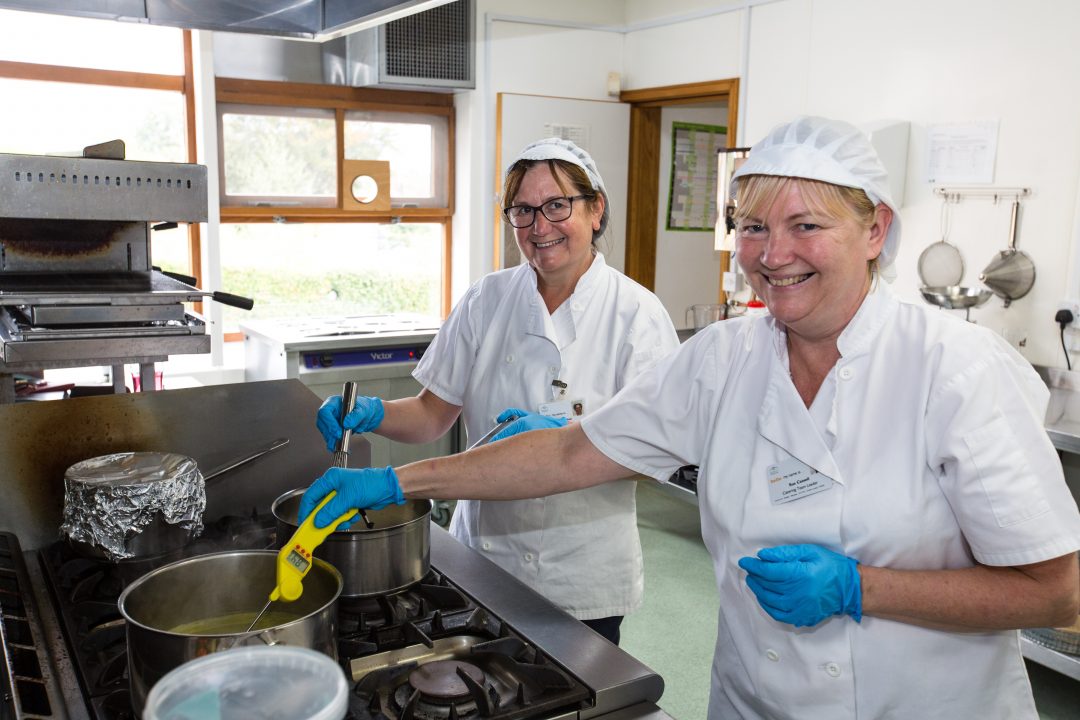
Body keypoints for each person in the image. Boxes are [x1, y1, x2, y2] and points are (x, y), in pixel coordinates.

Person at [300, 116, 1080, 719]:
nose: (772, 254)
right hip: (753, 699)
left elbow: (1057, 591)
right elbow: (575, 454)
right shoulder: (724, 356)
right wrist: (396, 480)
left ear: (874, 231)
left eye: (806, 226)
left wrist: (861, 589)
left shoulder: (955, 370)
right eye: (751, 227)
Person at [309, 137, 679, 645]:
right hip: (483, 557)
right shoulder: (488, 299)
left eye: (557, 205)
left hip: (581, 571)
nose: (539, 227)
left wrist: (574, 438)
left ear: (595, 210)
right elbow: (432, 414)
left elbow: (654, 453)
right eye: (522, 211)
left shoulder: (638, 316)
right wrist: (372, 413)